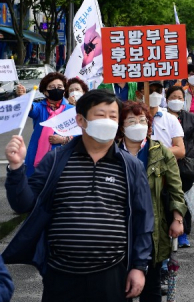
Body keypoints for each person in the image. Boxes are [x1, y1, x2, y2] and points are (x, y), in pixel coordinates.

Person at [3, 89, 153, 301]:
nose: (108, 121)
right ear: (81, 120)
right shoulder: (55, 160)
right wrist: (17, 168)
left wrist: (139, 266)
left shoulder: (131, 166)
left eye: (113, 116)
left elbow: (143, 219)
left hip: (112, 272)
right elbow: (24, 204)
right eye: (101, 115)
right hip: (60, 273)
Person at [117, 101, 187, 301]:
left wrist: (177, 218)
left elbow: (176, 189)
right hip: (120, 229)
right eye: (131, 121)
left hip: (152, 229)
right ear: (122, 126)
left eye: (142, 120)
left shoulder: (160, 152)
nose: (137, 125)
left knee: (151, 287)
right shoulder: (112, 153)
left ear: (149, 125)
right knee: (120, 288)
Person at [165, 86, 194, 248]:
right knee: (167, 198)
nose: (177, 100)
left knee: (185, 198)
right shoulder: (161, 117)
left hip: (186, 166)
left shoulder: (190, 118)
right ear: (167, 99)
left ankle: (183, 234)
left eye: (180, 98)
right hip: (166, 165)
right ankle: (167, 231)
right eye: (173, 97)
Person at [15, 72, 74, 177]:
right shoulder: (40, 107)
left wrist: (63, 139)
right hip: (36, 154)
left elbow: (79, 134)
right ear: (45, 92)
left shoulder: (72, 110)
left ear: (64, 90)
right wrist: (23, 96)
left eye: (60, 87)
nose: (56, 89)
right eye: (52, 87)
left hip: (62, 156)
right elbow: (29, 107)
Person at [147, 81, 186, 160]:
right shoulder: (134, 118)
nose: (154, 95)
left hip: (164, 167)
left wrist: (158, 152)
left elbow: (181, 150)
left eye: (158, 91)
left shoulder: (170, 119)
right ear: (139, 94)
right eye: (150, 91)